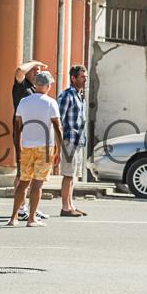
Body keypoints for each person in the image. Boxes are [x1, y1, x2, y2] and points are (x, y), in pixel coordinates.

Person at [7, 71, 63, 227]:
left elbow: (17, 126)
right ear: (47, 86)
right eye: (50, 85)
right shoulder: (50, 102)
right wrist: (60, 149)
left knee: (23, 183)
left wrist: (18, 146)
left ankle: (13, 218)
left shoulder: (23, 101)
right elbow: (57, 126)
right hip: (45, 148)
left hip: (26, 146)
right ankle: (31, 218)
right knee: (37, 184)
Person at [13, 59, 49, 222]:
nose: (37, 72)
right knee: (22, 174)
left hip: (36, 137)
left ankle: (31, 207)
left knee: (35, 175)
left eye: (39, 70)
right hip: (23, 136)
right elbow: (19, 71)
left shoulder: (34, 89)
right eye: (34, 70)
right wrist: (34, 62)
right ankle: (21, 210)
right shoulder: (21, 86)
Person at [57, 64, 88, 217]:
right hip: (69, 140)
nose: (85, 80)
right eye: (82, 77)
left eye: (86, 77)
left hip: (79, 140)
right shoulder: (67, 95)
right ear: (73, 78)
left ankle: (71, 205)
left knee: (73, 175)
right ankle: (65, 207)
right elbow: (58, 120)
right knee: (68, 174)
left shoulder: (80, 96)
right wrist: (59, 143)